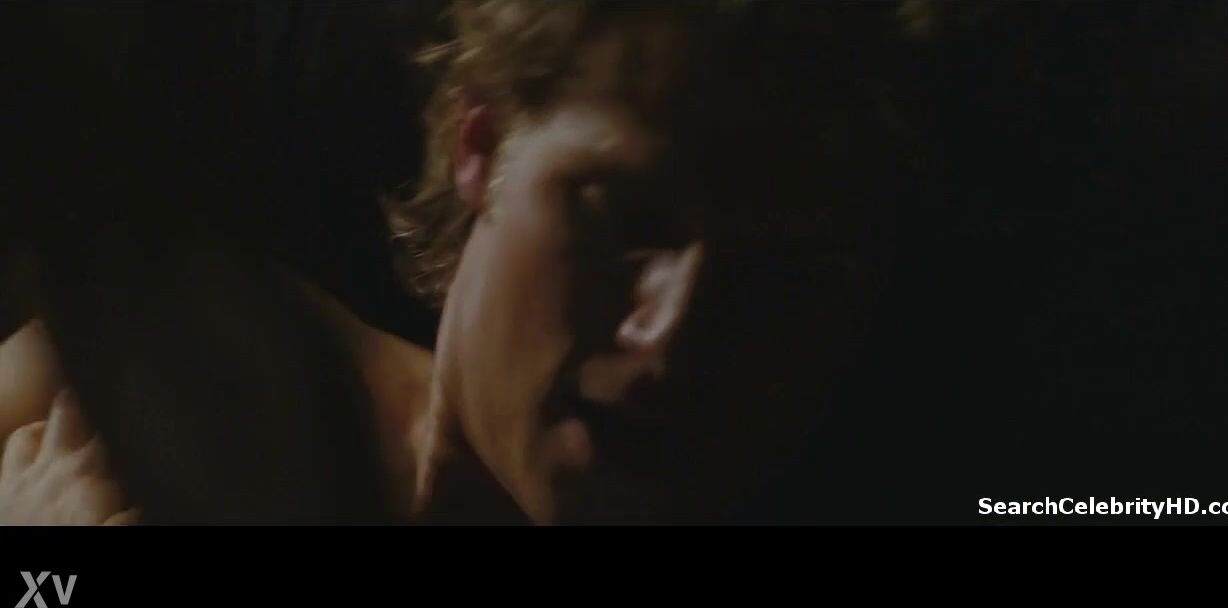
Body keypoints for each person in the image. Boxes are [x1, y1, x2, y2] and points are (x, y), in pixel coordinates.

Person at [0, 0, 901, 524]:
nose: (674, 337)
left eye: (776, 276)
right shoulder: (187, 390)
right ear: (482, 144)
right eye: (620, 218)